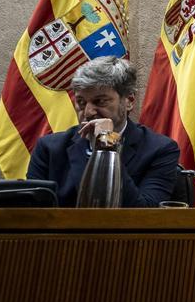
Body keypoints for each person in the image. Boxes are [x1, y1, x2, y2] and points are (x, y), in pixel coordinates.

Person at [27, 56, 180, 207]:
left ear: (128, 101)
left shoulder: (160, 149)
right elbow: (32, 214)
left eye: (100, 101)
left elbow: (146, 214)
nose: (88, 112)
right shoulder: (49, 148)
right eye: (81, 102)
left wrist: (107, 144)